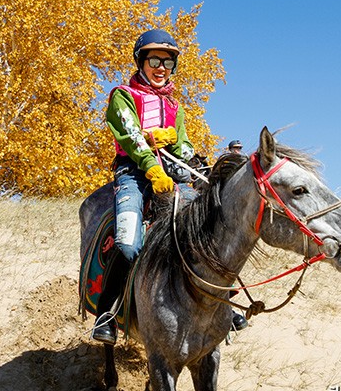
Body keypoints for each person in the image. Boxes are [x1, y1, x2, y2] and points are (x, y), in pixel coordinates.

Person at [92, 29, 247, 344]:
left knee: (206, 226)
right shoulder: (123, 94)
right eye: (154, 60)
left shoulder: (175, 107)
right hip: (133, 174)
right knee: (128, 243)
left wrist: (203, 167)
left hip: (171, 177)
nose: (161, 67)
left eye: (167, 62)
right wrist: (151, 165)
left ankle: (225, 306)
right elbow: (131, 137)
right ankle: (106, 315)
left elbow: (184, 147)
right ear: (141, 61)